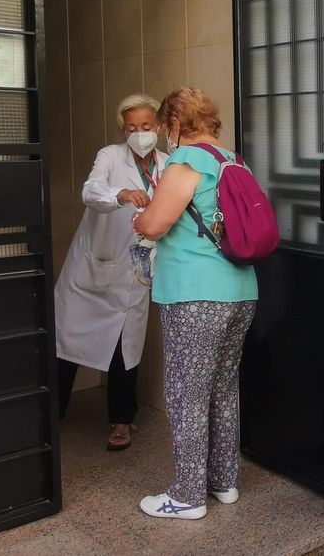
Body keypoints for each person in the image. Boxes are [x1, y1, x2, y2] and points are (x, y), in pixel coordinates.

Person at [131, 88, 259, 520]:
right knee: (223, 389)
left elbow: (155, 223)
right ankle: (224, 482)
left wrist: (139, 219)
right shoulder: (232, 160)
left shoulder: (187, 162)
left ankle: (186, 496)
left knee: (187, 392)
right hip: (240, 290)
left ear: (171, 125)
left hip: (196, 295)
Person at [54, 93, 167, 451]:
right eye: (132, 127)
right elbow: (90, 191)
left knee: (125, 348)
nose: (139, 133)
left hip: (134, 273)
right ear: (123, 129)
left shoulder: (169, 163)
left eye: (146, 126)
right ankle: (49, 415)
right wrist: (120, 194)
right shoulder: (110, 156)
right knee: (65, 343)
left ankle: (121, 421)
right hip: (92, 269)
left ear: (159, 126)